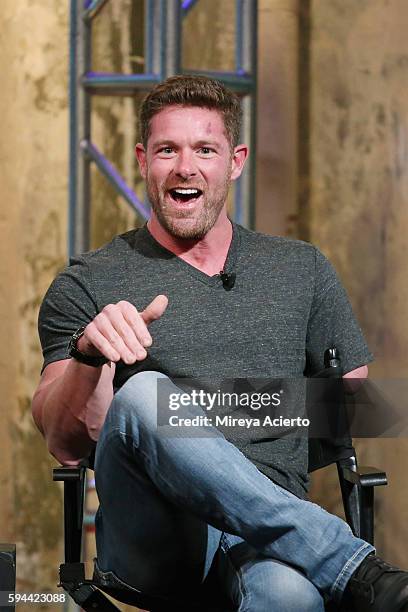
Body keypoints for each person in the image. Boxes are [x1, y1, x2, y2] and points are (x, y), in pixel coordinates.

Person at [32, 75, 408, 611]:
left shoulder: (301, 268)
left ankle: (322, 560)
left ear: (235, 161)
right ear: (143, 160)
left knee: (291, 599)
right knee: (146, 399)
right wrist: (90, 358)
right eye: (167, 150)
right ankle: (353, 566)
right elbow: (63, 441)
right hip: (160, 539)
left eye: (204, 149)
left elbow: (351, 411)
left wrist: (197, 406)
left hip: (270, 539)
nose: (185, 168)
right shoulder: (89, 282)